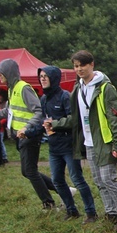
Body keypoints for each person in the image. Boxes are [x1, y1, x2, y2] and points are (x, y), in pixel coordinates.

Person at [48, 50, 117, 232]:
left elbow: (116, 118)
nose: (79, 69)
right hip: (88, 141)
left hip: (105, 141)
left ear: (92, 65)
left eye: (82, 65)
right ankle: (111, 213)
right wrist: (55, 124)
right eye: (76, 66)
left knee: (108, 179)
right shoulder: (78, 88)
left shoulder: (104, 88)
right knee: (98, 180)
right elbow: (75, 117)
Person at [0, 59, 59, 210]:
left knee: (30, 171)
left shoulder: (23, 88)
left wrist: (27, 128)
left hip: (29, 135)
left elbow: (39, 111)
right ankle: (62, 190)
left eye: (1, 72)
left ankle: (49, 203)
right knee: (27, 171)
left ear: (9, 72)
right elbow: (8, 111)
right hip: (21, 137)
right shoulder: (11, 89)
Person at [36, 66, 97, 223]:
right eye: (41, 76)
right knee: (57, 180)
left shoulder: (65, 96)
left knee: (77, 178)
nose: (42, 79)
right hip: (53, 147)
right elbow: (44, 120)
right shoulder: (43, 99)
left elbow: (74, 119)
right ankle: (71, 210)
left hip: (68, 146)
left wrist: (55, 124)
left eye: (46, 76)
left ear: (54, 78)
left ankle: (91, 212)